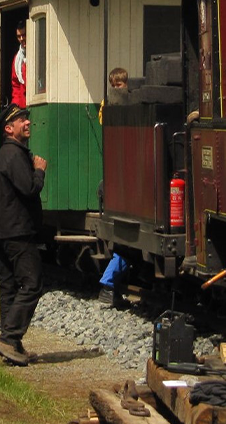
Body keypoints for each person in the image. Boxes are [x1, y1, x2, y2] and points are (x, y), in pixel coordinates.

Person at [0, 103, 47, 366]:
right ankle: (9, 338)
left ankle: (11, 344)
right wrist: (39, 171)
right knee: (32, 284)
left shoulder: (2, 155)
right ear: (9, 129)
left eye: (27, 118)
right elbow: (28, 189)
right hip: (17, 232)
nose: (28, 123)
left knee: (9, 285)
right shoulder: (14, 155)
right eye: (22, 120)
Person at [98, 67, 130, 307]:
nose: (117, 88)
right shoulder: (109, 106)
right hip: (119, 177)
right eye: (114, 84)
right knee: (123, 248)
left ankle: (110, 285)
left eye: (120, 84)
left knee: (124, 248)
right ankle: (108, 284)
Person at [10, 24, 27, 108]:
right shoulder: (17, 59)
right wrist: (15, 107)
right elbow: (16, 85)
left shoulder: (40, 52)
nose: (21, 39)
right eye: (18, 36)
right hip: (22, 106)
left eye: (24, 35)